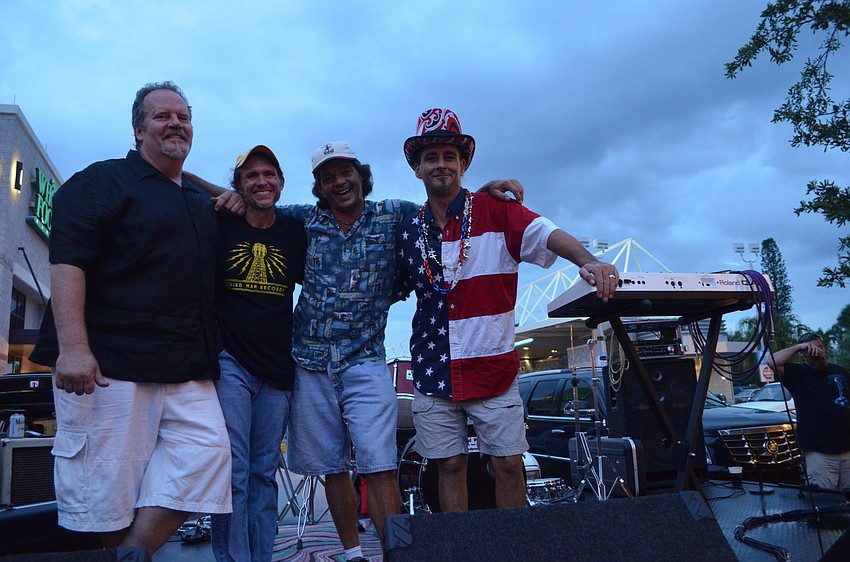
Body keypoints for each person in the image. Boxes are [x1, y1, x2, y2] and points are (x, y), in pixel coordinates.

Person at [192, 142, 523, 562]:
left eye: (345, 172)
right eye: (328, 177)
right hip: (309, 363)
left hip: (366, 361)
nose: (339, 182)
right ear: (319, 186)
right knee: (332, 468)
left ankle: (397, 553)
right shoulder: (303, 219)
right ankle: (351, 554)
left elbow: (445, 199)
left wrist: (484, 192)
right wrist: (214, 187)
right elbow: (249, 204)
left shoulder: (395, 213)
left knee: (381, 467)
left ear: (360, 175)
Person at [29, 82, 232, 557]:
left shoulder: (200, 204)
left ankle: (135, 551)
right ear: (138, 128)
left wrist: (226, 193)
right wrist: (73, 349)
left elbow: (214, 192)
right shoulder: (100, 181)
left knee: (208, 457)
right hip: (109, 365)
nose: (175, 123)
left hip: (187, 364)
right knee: (107, 490)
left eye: (183, 117)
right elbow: (67, 263)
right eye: (162, 116)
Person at [395, 108, 620, 511]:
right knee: (448, 465)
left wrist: (588, 261)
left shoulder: (497, 211)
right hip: (434, 367)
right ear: (417, 168)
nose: (440, 165)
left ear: (463, 163)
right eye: (431, 158)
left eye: (449, 155)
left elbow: (545, 232)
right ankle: (459, 550)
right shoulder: (409, 229)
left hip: (492, 368)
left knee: (509, 466)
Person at [211, 145, 306, 561]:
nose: (261, 182)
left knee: (264, 474)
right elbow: (178, 183)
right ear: (237, 187)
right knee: (234, 470)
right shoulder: (219, 221)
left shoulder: (294, 229)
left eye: (269, 174)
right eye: (251, 177)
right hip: (230, 361)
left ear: (282, 183)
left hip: (277, 370)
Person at [767, 332, 850, 489]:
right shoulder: (797, 373)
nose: (817, 352)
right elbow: (771, 361)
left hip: (848, 449)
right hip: (820, 454)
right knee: (824, 500)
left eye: (819, 347)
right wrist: (800, 346)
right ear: (802, 353)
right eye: (811, 348)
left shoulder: (839, 371)